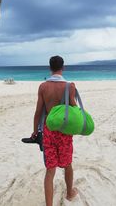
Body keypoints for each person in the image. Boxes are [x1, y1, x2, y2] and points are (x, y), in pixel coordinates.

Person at [32, 56, 78, 206]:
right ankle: (70, 193)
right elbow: (74, 110)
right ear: (63, 67)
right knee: (67, 164)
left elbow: (38, 112)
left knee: (50, 170)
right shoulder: (69, 86)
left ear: (50, 68)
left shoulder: (43, 87)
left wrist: (35, 131)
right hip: (64, 132)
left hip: (49, 131)